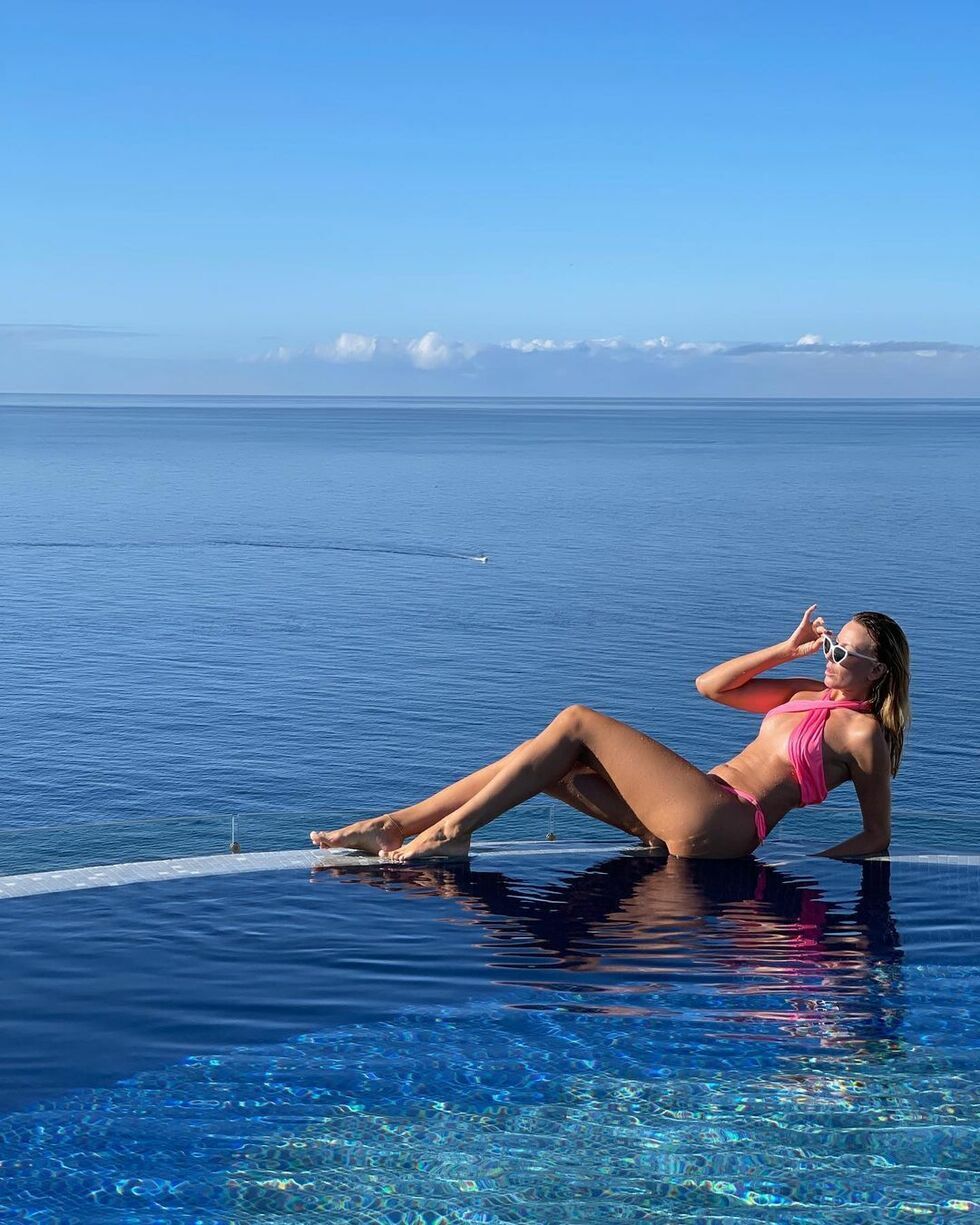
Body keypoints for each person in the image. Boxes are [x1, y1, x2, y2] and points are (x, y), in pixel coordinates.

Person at [310, 605, 911, 862]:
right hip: (694, 809)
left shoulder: (864, 736)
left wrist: (803, 864)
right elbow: (711, 686)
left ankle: (448, 832)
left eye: (843, 653)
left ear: (878, 671)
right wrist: (786, 649)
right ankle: (396, 824)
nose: (830, 656)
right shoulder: (805, 693)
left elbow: (876, 835)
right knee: (541, 762)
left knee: (577, 721)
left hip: (729, 819)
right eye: (830, 645)